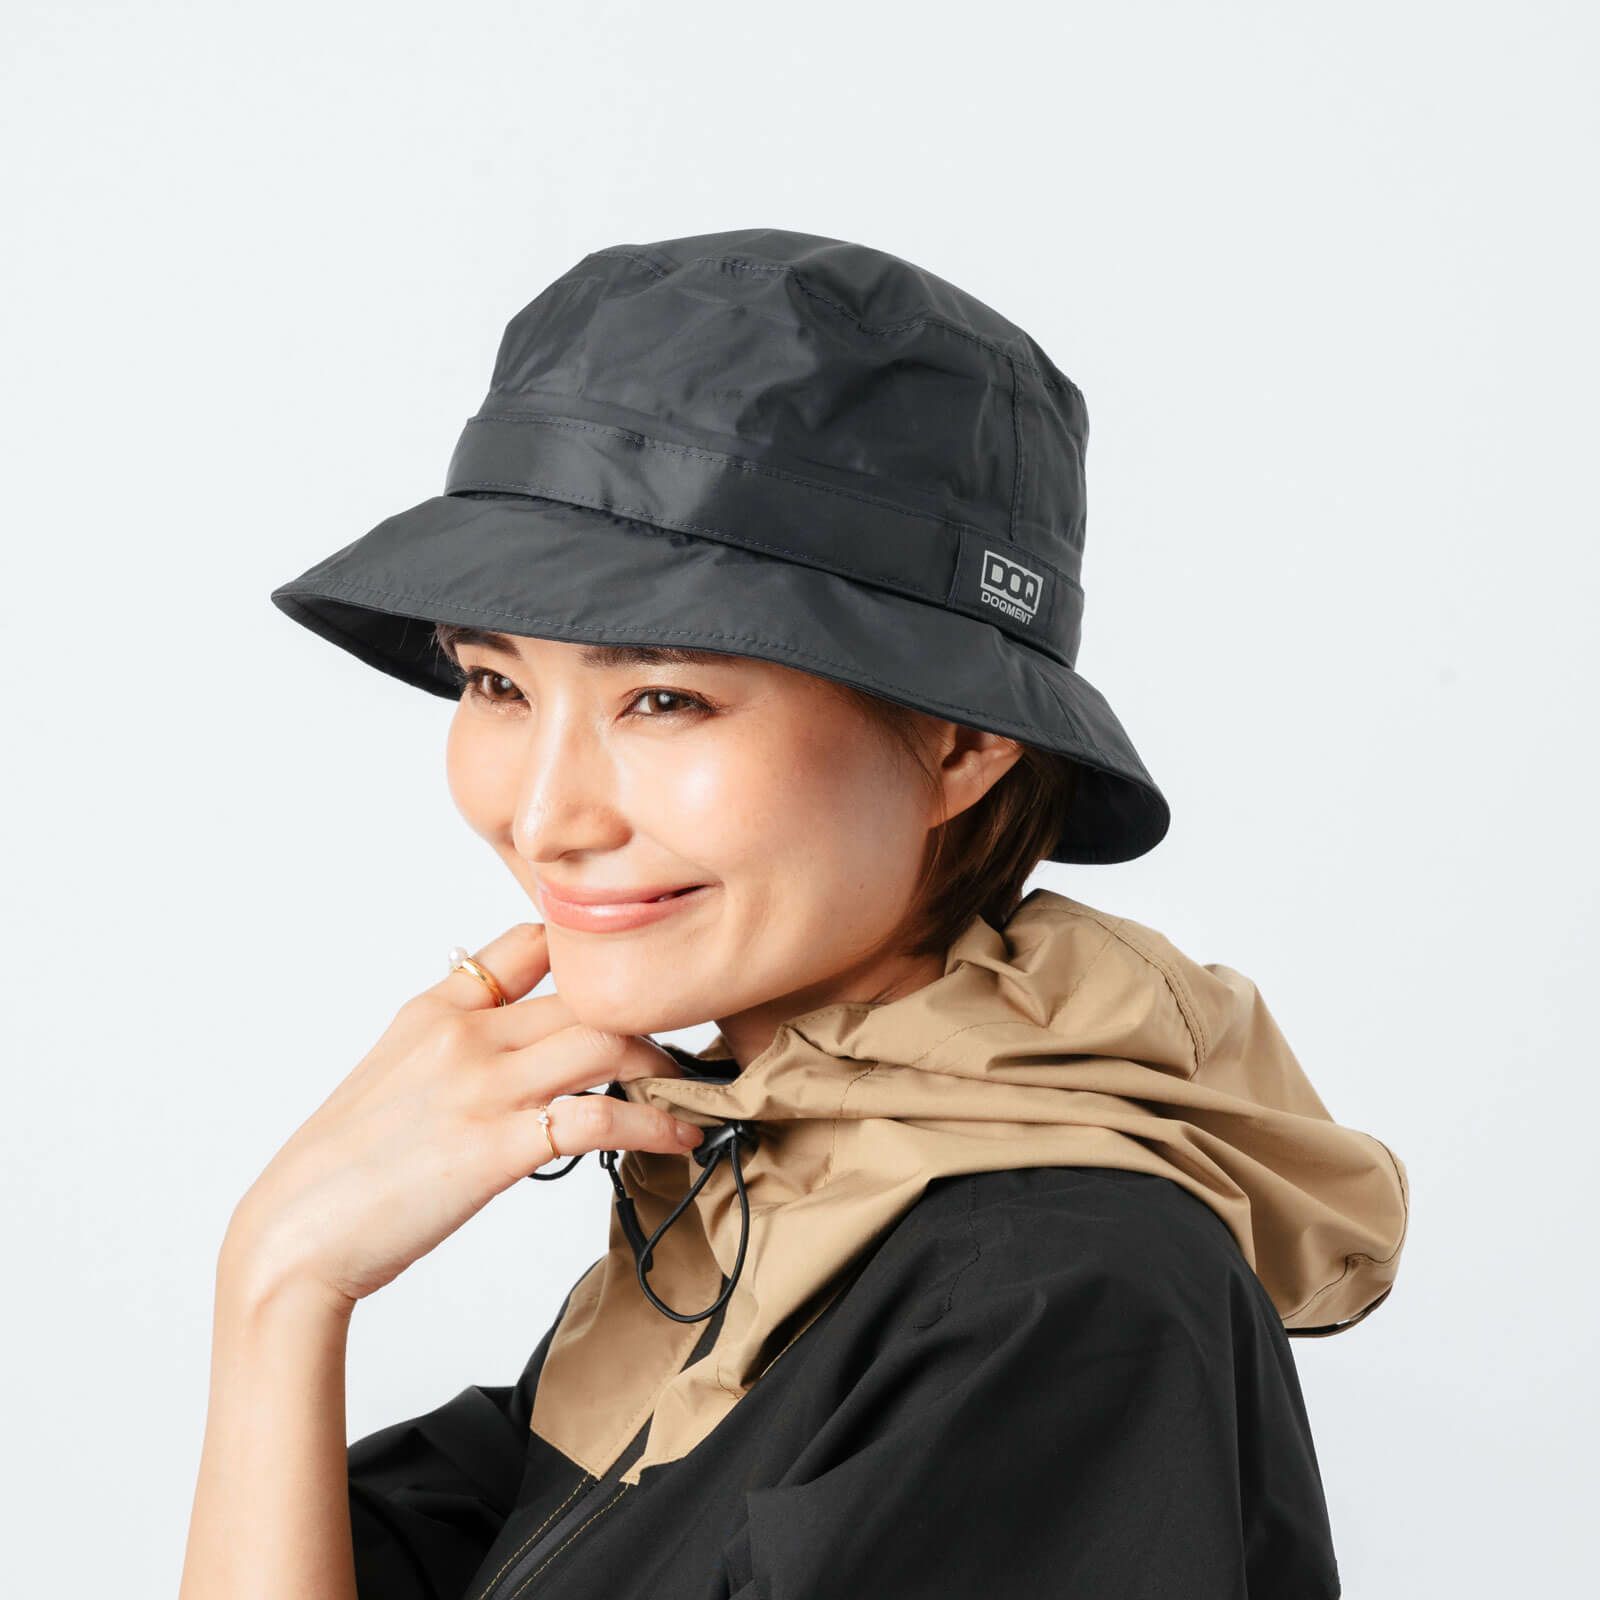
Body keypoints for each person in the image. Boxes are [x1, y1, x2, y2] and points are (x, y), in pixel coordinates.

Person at [178, 228, 1410, 1599]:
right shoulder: (766, 1199)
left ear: (958, 740)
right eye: (495, 683)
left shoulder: (1056, 1300)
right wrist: (280, 1282)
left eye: (664, 698)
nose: (544, 815)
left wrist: (280, 1287)